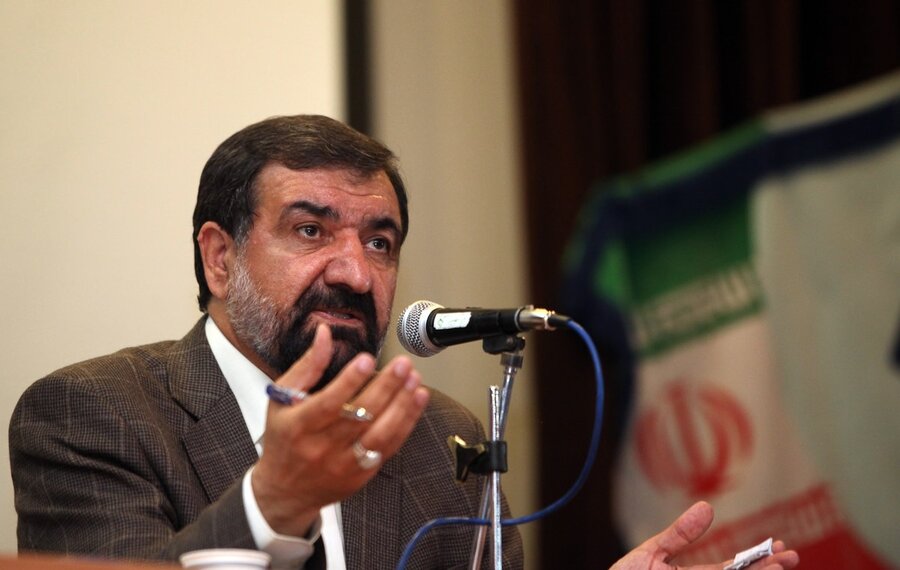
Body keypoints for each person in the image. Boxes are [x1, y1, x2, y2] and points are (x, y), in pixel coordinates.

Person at [9, 115, 799, 570]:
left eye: (380, 242)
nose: (355, 271)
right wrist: (271, 504)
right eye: (310, 230)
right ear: (220, 257)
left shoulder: (437, 437)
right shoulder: (92, 415)